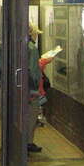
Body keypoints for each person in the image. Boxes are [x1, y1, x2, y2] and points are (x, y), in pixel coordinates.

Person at [27, 24, 53, 153]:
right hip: (31, 90)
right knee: (32, 118)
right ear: (31, 33)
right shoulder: (32, 48)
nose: (36, 36)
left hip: (25, 88)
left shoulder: (22, 45)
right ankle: (27, 143)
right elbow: (33, 71)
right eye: (36, 33)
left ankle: (26, 142)